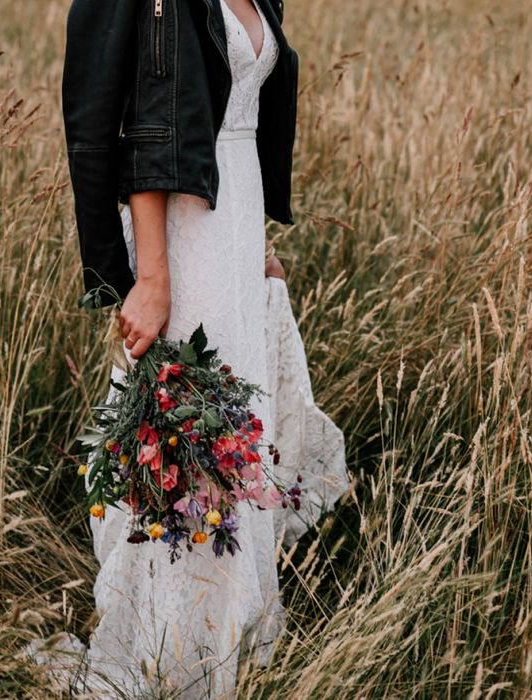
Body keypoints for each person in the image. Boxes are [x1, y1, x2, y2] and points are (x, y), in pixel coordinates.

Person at [58, 0, 351, 696]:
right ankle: (178, 659)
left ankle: (230, 642)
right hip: (184, 241)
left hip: (234, 225)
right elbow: (145, 129)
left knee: (242, 444)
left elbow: (231, 115)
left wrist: (259, 246)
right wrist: (153, 277)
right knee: (194, 455)